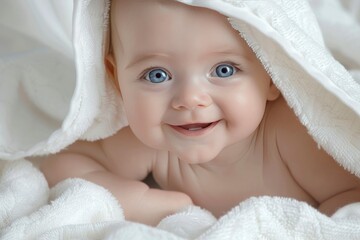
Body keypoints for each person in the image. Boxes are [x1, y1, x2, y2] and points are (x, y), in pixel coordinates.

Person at [39, 0, 360, 226]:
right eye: (157, 75)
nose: (189, 100)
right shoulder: (153, 141)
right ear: (117, 80)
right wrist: (137, 201)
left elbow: (352, 199)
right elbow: (60, 162)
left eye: (223, 70)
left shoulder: (296, 136)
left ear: (273, 73)